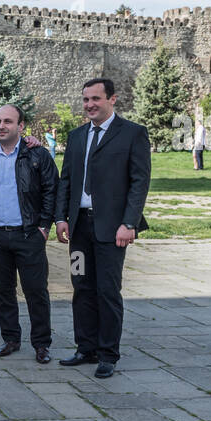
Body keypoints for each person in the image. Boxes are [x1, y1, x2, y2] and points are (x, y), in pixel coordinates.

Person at [54, 78, 151, 379]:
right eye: (85, 99)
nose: (89, 105)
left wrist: (129, 223)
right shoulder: (77, 136)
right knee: (81, 286)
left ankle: (108, 354)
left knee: (107, 290)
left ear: (112, 99)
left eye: (95, 99)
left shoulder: (133, 134)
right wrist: (61, 218)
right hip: (79, 228)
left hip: (111, 230)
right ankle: (86, 348)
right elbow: (66, 180)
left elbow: (139, 183)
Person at [0, 104, 58, 363]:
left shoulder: (37, 155)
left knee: (36, 291)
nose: (1, 126)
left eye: (7, 121)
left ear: (21, 126)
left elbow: (51, 190)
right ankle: (10, 339)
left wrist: (44, 226)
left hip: (29, 234)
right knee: (3, 290)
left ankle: (41, 344)